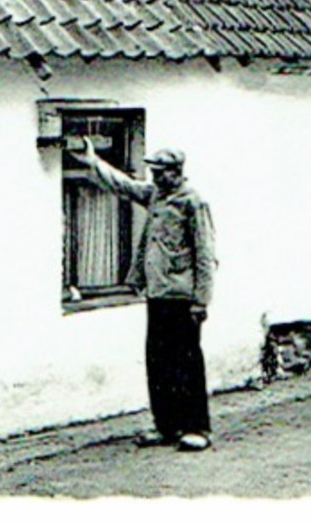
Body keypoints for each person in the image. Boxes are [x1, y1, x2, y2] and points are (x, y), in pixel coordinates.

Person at [79, 142, 217, 452]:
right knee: (158, 363)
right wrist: (92, 160)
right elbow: (125, 185)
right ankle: (166, 426)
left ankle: (197, 427)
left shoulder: (193, 202)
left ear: (175, 172)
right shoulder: (156, 195)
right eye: (152, 171)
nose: (153, 176)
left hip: (184, 298)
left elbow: (206, 256)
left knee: (187, 363)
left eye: (159, 171)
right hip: (157, 294)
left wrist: (201, 300)